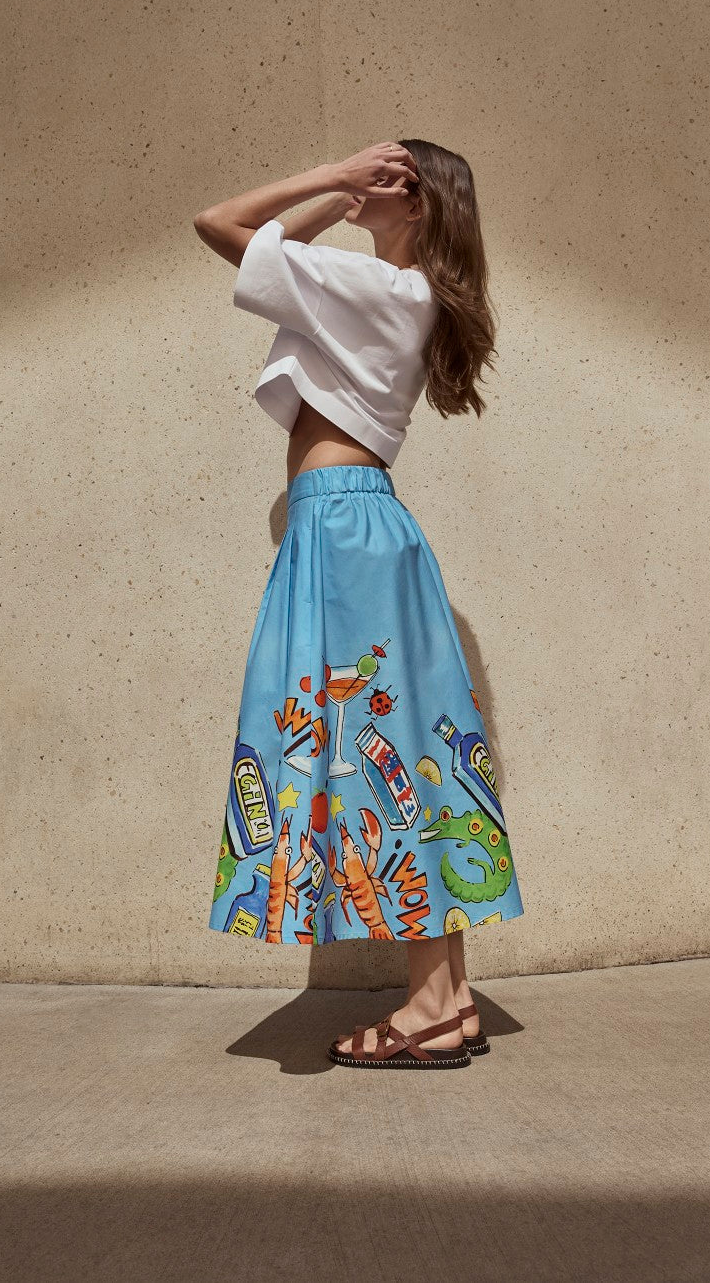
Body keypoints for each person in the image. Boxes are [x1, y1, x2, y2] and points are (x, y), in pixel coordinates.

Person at [193, 140, 524, 1069]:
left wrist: (333, 177)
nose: (367, 182)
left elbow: (220, 225)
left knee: (380, 759)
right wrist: (343, 197)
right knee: (405, 755)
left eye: (390, 175)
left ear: (416, 204)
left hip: (342, 529)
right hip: (350, 526)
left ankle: (428, 1008)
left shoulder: (380, 289)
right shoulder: (387, 291)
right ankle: (448, 999)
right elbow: (269, 248)